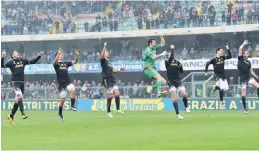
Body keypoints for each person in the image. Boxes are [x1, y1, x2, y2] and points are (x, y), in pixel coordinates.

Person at [1, 50, 43, 126]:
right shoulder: (10, 63)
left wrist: (39, 56)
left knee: (17, 100)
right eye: (15, 53)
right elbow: (2, 65)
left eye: (17, 52)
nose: (17, 53)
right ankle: (23, 113)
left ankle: (11, 116)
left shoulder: (23, 61)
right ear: (13, 55)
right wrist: (2, 57)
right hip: (15, 82)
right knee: (20, 97)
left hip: (22, 83)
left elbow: (32, 62)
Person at [165, 45, 191, 120]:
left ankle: (186, 107)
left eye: (170, 53)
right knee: (175, 99)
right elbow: (171, 57)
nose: (170, 55)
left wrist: (181, 66)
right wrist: (172, 49)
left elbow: (181, 71)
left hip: (178, 81)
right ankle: (178, 114)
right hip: (171, 82)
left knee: (184, 94)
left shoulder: (177, 62)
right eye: (169, 54)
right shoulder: (167, 62)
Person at [53, 47, 79, 121]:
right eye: (60, 54)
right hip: (61, 84)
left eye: (61, 54)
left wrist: (77, 55)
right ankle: (60, 113)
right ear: (57, 56)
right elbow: (54, 62)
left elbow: (75, 62)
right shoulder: (56, 65)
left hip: (67, 82)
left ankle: (72, 106)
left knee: (73, 89)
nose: (61, 55)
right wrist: (58, 53)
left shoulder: (65, 63)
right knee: (62, 100)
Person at [100, 42, 124, 118]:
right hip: (106, 80)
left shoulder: (109, 63)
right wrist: (104, 47)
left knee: (117, 94)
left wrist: (120, 70)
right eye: (106, 52)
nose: (108, 53)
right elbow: (101, 55)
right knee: (110, 95)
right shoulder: (103, 61)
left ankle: (118, 109)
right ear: (104, 54)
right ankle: (108, 111)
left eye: (107, 52)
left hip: (112, 80)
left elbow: (113, 70)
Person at [237, 40, 259, 114]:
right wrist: (244, 43)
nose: (248, 54)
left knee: (258, 86)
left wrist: (256, 76)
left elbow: (251, 70)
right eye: (246, 53)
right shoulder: (240, 59)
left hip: (249, 78)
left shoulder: (248, 62)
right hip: (243, 79)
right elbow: (240, 48)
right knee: (244, 92)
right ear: (243, 54)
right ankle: (244, 108)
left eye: (248, 53)